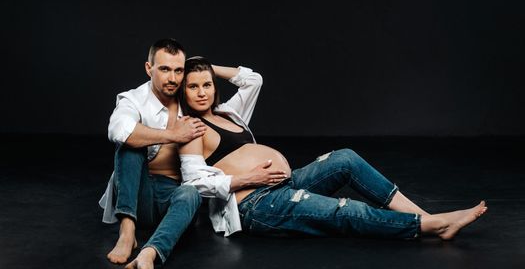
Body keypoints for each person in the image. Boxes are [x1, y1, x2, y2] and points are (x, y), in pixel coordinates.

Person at [178, 56, 487, 241]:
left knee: (345, 159)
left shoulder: (227, 112)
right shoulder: (191, 128)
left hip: (283, 183)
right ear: (183, 90)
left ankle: (423, 215)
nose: (202, 92)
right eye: (193, 85)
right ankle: (431, 225)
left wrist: (203, 65)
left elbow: (252, 80)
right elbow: (193, 184)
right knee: (343, 209)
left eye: (206, 84)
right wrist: (247, 180)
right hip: (255, 205)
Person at [98, 38, 207, 269]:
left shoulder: (191, 97)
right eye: (165, 69)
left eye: (179, 70)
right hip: (139, 197)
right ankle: (127, 231)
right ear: (149, 69)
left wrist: (203, 66)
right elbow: (119, 129)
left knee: (191, 194)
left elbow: (248, 85)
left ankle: (148, 254)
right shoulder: (134, 99)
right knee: (130, 144)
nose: (173, 78)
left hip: (172, 201)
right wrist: (172, 134)